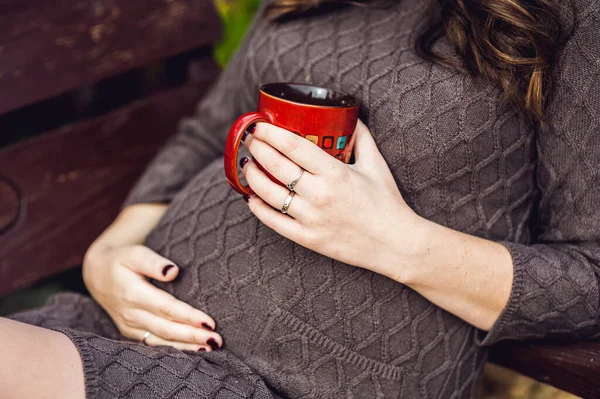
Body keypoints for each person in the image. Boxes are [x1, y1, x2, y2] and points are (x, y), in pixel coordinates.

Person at [2, 0, 599, 397]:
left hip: (297, 381)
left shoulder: (565, 16)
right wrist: (105, 257)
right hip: (118, 327)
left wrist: (395, 243)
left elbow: (591, 275)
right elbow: (207, 136)